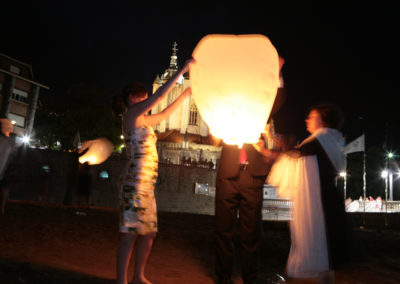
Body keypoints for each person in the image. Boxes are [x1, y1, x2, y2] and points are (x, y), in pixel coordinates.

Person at [112, 58, 194, 284]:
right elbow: (159, 97)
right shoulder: (131, 116)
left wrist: (185, 95)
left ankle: (138, 276)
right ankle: (122, 280)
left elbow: (166, 113)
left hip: (145, 182)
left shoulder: (143, 120)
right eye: (143, 97)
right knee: (130, 233)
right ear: (132, 99)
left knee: (149, 232)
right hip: (135, 181)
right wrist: (183, 71)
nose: (147, 100)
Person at [213, 57, 285, 284]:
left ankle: (249, 277)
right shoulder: (223, 108)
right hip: (228, 173)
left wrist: (278, 72)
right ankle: (222, 277)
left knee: (251, 232)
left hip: (252, 174)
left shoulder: (260, 109)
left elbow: (278, 99)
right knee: (223, 230)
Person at [264, 103, 353, 282]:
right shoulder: (325, 140)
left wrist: (270, 142)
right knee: (325, 255)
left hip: (322, 203)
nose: (307, 119)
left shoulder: (324, 138)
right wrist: (273, 141)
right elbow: (297, 155)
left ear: (322, 120)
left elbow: (295, 154)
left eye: (311, 116)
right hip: (324, 200)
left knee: (323, 248)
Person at [0, 118, 17, 215]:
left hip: (5, 168)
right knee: (4, 188)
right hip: (5, 168)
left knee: (4, 188)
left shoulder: (9, 142)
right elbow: (14, 156)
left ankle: (2, 209)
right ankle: (2, 209)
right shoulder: (11, 143)